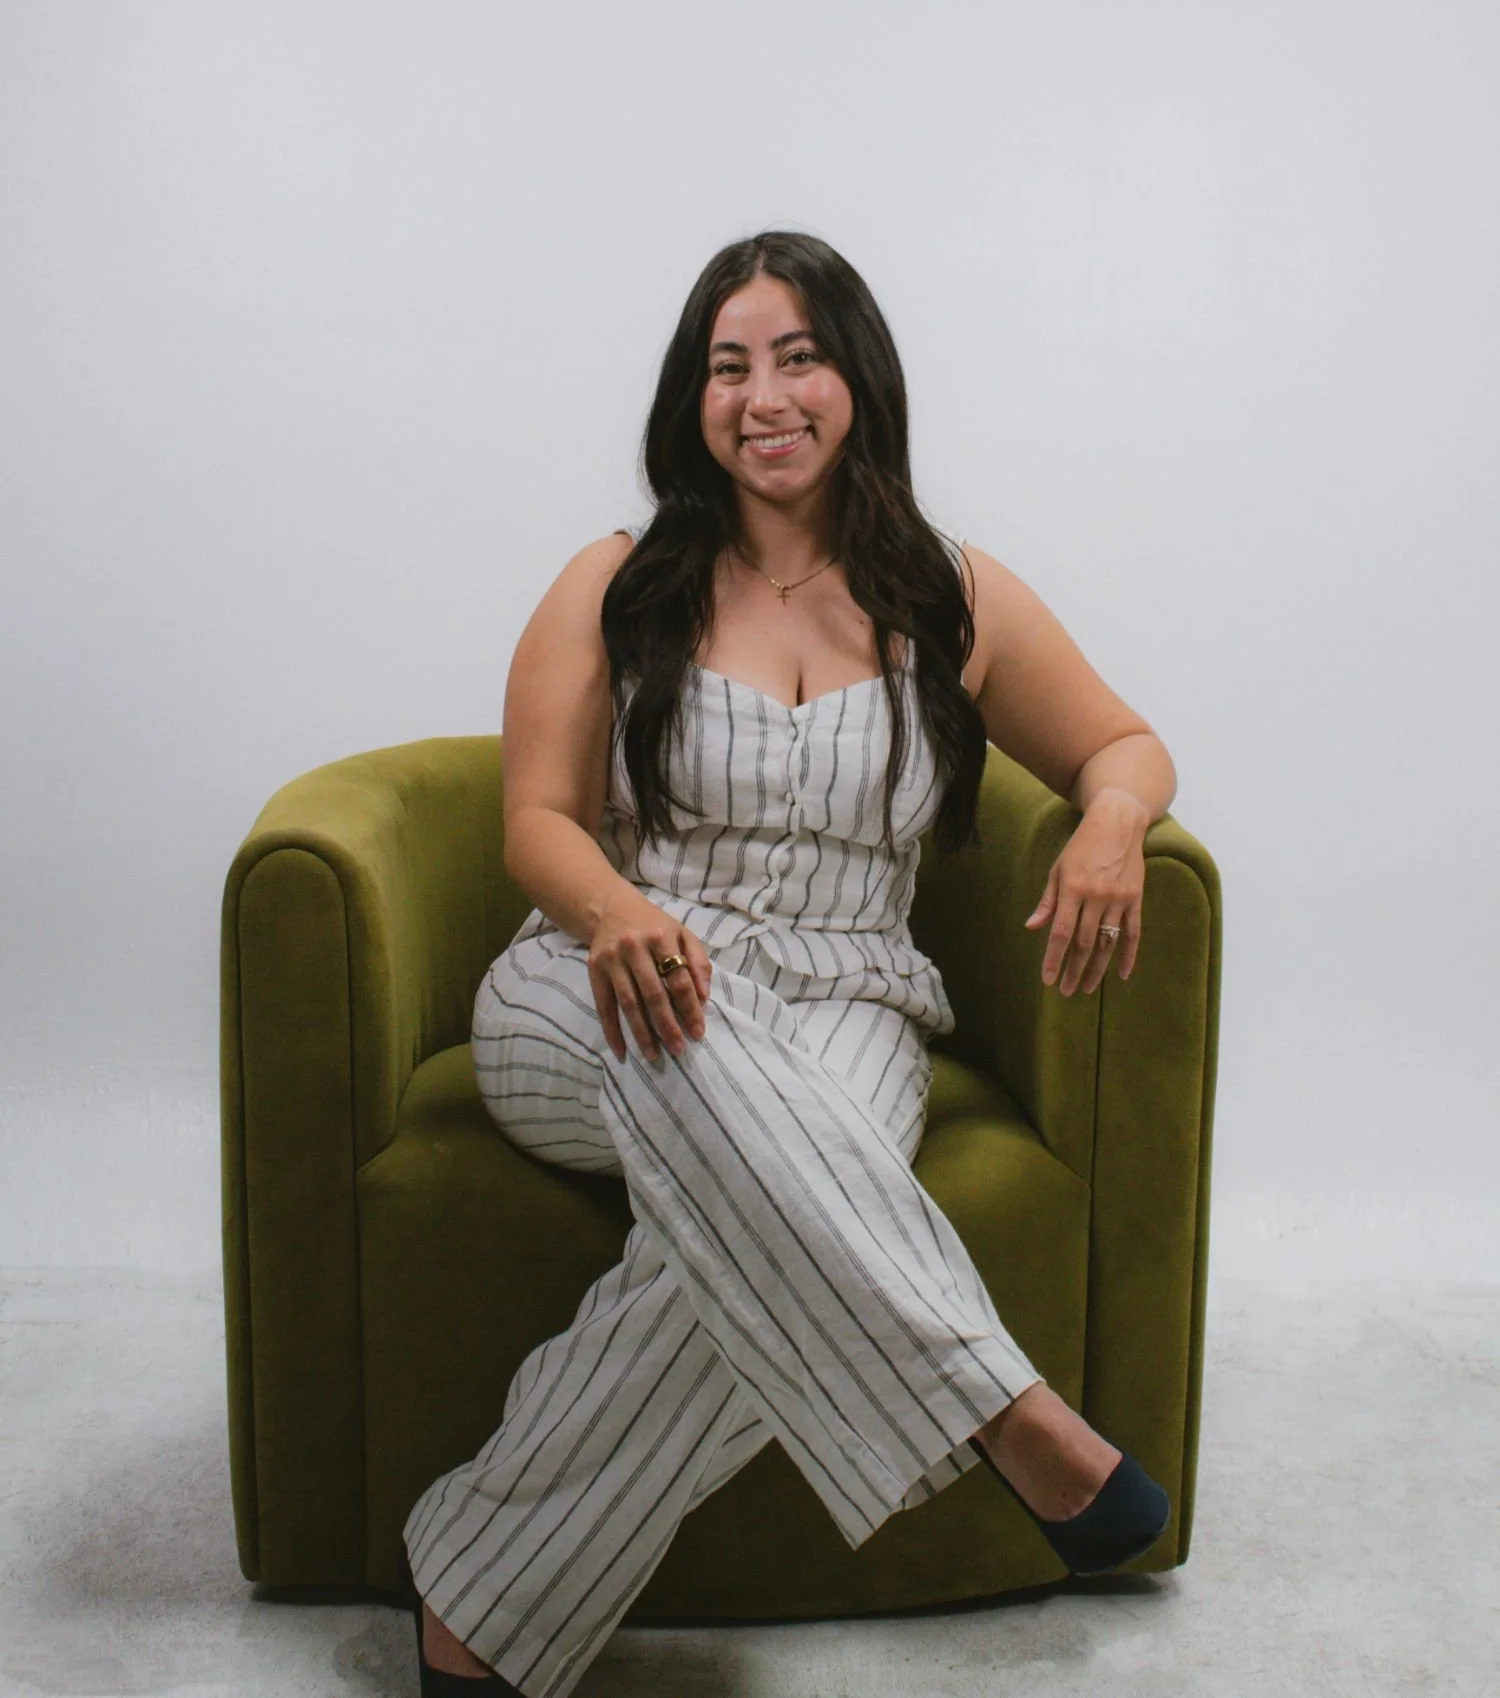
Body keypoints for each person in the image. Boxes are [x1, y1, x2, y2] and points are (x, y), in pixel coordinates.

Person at [401, 230, 1179, 1697]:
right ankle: (1002, 1402)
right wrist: (616, 910)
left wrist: (1114, 823)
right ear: (691, 398)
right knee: (735, 1080)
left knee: (763, 1211)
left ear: (856, 379)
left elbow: (1125, 743)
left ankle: (475, 1598)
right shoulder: (616, 578)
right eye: (728, 363)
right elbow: (536, 824)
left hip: (845, 1003)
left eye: (799, 356)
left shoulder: (953, 594)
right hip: (601, 979)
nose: (765, 395)